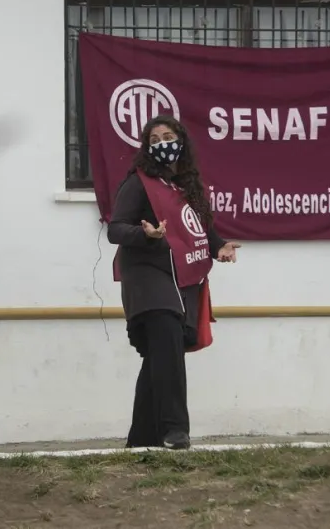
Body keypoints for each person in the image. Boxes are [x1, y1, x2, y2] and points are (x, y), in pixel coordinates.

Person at [107, 115, 241, 450]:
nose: (162, 143)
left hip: (179, 277)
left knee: (160, 353)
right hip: (147, 275)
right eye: (154, 140)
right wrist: (146, 234)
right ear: (146, 148)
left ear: (181, 141)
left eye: (168, 136)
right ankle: (175, 430)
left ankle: (141, 441)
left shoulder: (184, 186)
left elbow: (199, 228)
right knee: (166, 339)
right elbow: (115, 229)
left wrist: (219, 246)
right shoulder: (138, 183)